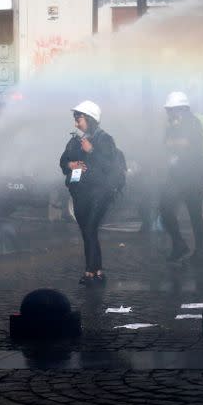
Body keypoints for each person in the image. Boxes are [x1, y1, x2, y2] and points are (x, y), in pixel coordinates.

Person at [59, 100, 117, 286]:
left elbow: (110, 166)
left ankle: (91, 272)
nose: (76, 123)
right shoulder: (75, 139)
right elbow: (63, 161)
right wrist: (71, 165)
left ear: (91, 119)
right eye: (75, 119)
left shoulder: (104, 139)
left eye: (79, 119)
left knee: (90, 229)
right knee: (86, 231)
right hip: (79, 192)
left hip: (99, 193)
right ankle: (96, 270)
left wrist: (91, 151)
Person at [160, 91, 203, 265]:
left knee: (195, 214)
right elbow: (166, 144)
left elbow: (189, 144)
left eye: (171, 110)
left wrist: (176, 142)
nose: (168, 114)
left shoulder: (193, 123)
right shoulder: (172, 125)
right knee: (165, 208)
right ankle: (179, 244)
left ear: (181, 109)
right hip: (177, 174)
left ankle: (201, 253)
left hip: (193, 175)